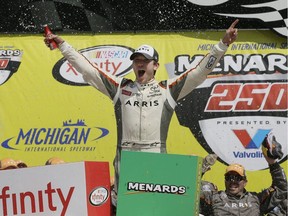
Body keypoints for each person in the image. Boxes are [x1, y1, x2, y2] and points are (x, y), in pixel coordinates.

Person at [44, 19, 239, 205]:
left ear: (155, 65)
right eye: (136, 60)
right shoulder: (121, 88)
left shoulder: (167, 90)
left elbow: (199, 73)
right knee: (127, 207)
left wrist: (222, 44)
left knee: (154, 206)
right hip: (125, 155)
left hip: (154, 152)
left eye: (145, 61)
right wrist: (63, 45)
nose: (140, 64)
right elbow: (89, 70)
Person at [199, 138, 287, 216]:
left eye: (237, 178)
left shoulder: (256, 199)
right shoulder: (215, 197)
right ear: (225, 180)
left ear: (245, 182)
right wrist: (202, 167)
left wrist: (272, 162)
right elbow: (190, 187)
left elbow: (282, 189)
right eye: (229, 177)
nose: (232, 181)